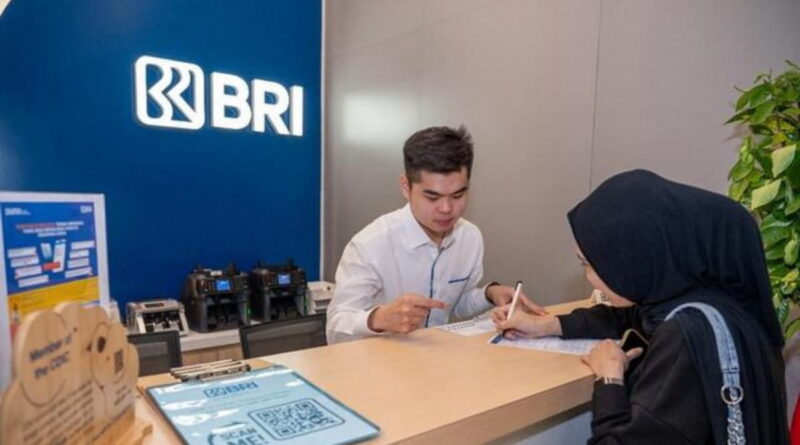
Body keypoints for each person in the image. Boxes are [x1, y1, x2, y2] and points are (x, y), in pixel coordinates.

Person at [493, 170, 789, 444]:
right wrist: (548, 325)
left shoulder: (684, 338)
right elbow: (629, 317)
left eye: (590, 264)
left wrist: (609, 378)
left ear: (633, 259)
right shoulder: (712, 301)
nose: (590, 279)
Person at [326, 125, 543, 344]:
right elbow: (335, 327)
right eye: (432, 197)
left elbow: (455, 304)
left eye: (458, 195)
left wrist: (490, 294)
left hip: (438, 357)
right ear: (405, 186)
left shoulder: (470, 237)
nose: (447, 209)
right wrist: (377, 319)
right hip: (380, 360)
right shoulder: (370, 244)